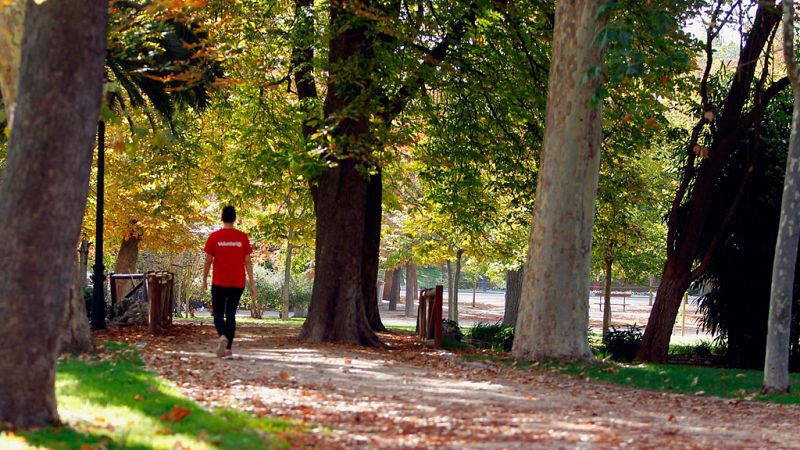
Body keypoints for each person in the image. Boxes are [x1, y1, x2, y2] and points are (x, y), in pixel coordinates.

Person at [202, 206, 256, 358]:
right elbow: (248, 262)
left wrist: (204, 279)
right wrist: (252, 284)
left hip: (219, 282)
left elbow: (208, 261)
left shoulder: (214, 237)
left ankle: (222, 336)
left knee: (218, 313)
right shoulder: (242, 237)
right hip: (237, 282)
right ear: (234, 218)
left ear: (222, 217)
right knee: (231, 314)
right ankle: (228, 350)